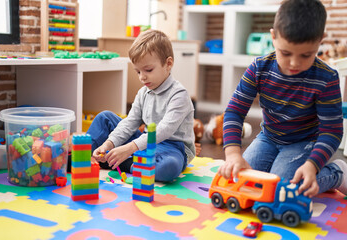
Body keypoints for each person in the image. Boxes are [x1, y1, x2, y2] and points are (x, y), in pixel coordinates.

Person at [218, 0, 347, 198]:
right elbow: (235, 111)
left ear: (319, 41)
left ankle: (336, 173)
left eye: (306, 55)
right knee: (243, 182)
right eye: (286, 53)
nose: (294, 63)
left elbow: (332, 131)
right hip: (268, 137)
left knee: (281, 192)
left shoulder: (326, 77)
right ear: (274, 37)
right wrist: (233, 154)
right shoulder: (259, 68)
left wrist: (312, 165)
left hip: (304, 143)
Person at [88, 29, 196, 182]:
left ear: (168, 64)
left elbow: (164, 131)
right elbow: (130, 123)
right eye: (138, 71)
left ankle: (124, 163)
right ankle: (86, 155)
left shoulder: (179, 95)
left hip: (172, 148)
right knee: (104, 117)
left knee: (169, 167)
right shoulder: (143, 92)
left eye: (148, 70)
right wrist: (108, 144)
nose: (142, 77)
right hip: (144, 142)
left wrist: (129, 149)